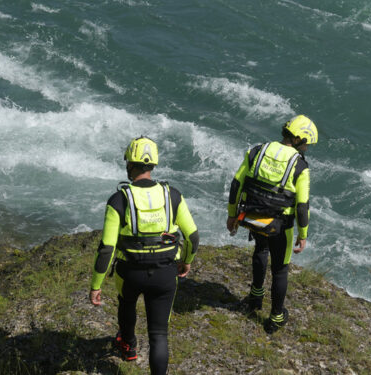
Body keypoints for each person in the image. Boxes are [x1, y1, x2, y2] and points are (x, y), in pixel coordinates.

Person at [90, 136, 199, 374]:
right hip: (165, 274)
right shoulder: (173, 195)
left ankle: (128, 345)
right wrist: (186, 262)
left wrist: (96, 285)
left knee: (126, 301)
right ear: (153, 165)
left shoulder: (119, 198)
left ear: (130, 164)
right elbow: (192, 237)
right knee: (159, 334)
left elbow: (107, 248)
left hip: (130, 274)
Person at [226, 115, 317, 334]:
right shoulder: (300, 166)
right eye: (306, 143)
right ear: (297, 139)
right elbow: (302, 206)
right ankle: (276, 317)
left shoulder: (257, 151)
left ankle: (256, 297)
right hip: (279, 225)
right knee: (280, 269)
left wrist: (232, 215)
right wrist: (302, 234)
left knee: (260, 249)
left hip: (253, 217)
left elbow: (236, 183)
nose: (306, 148)